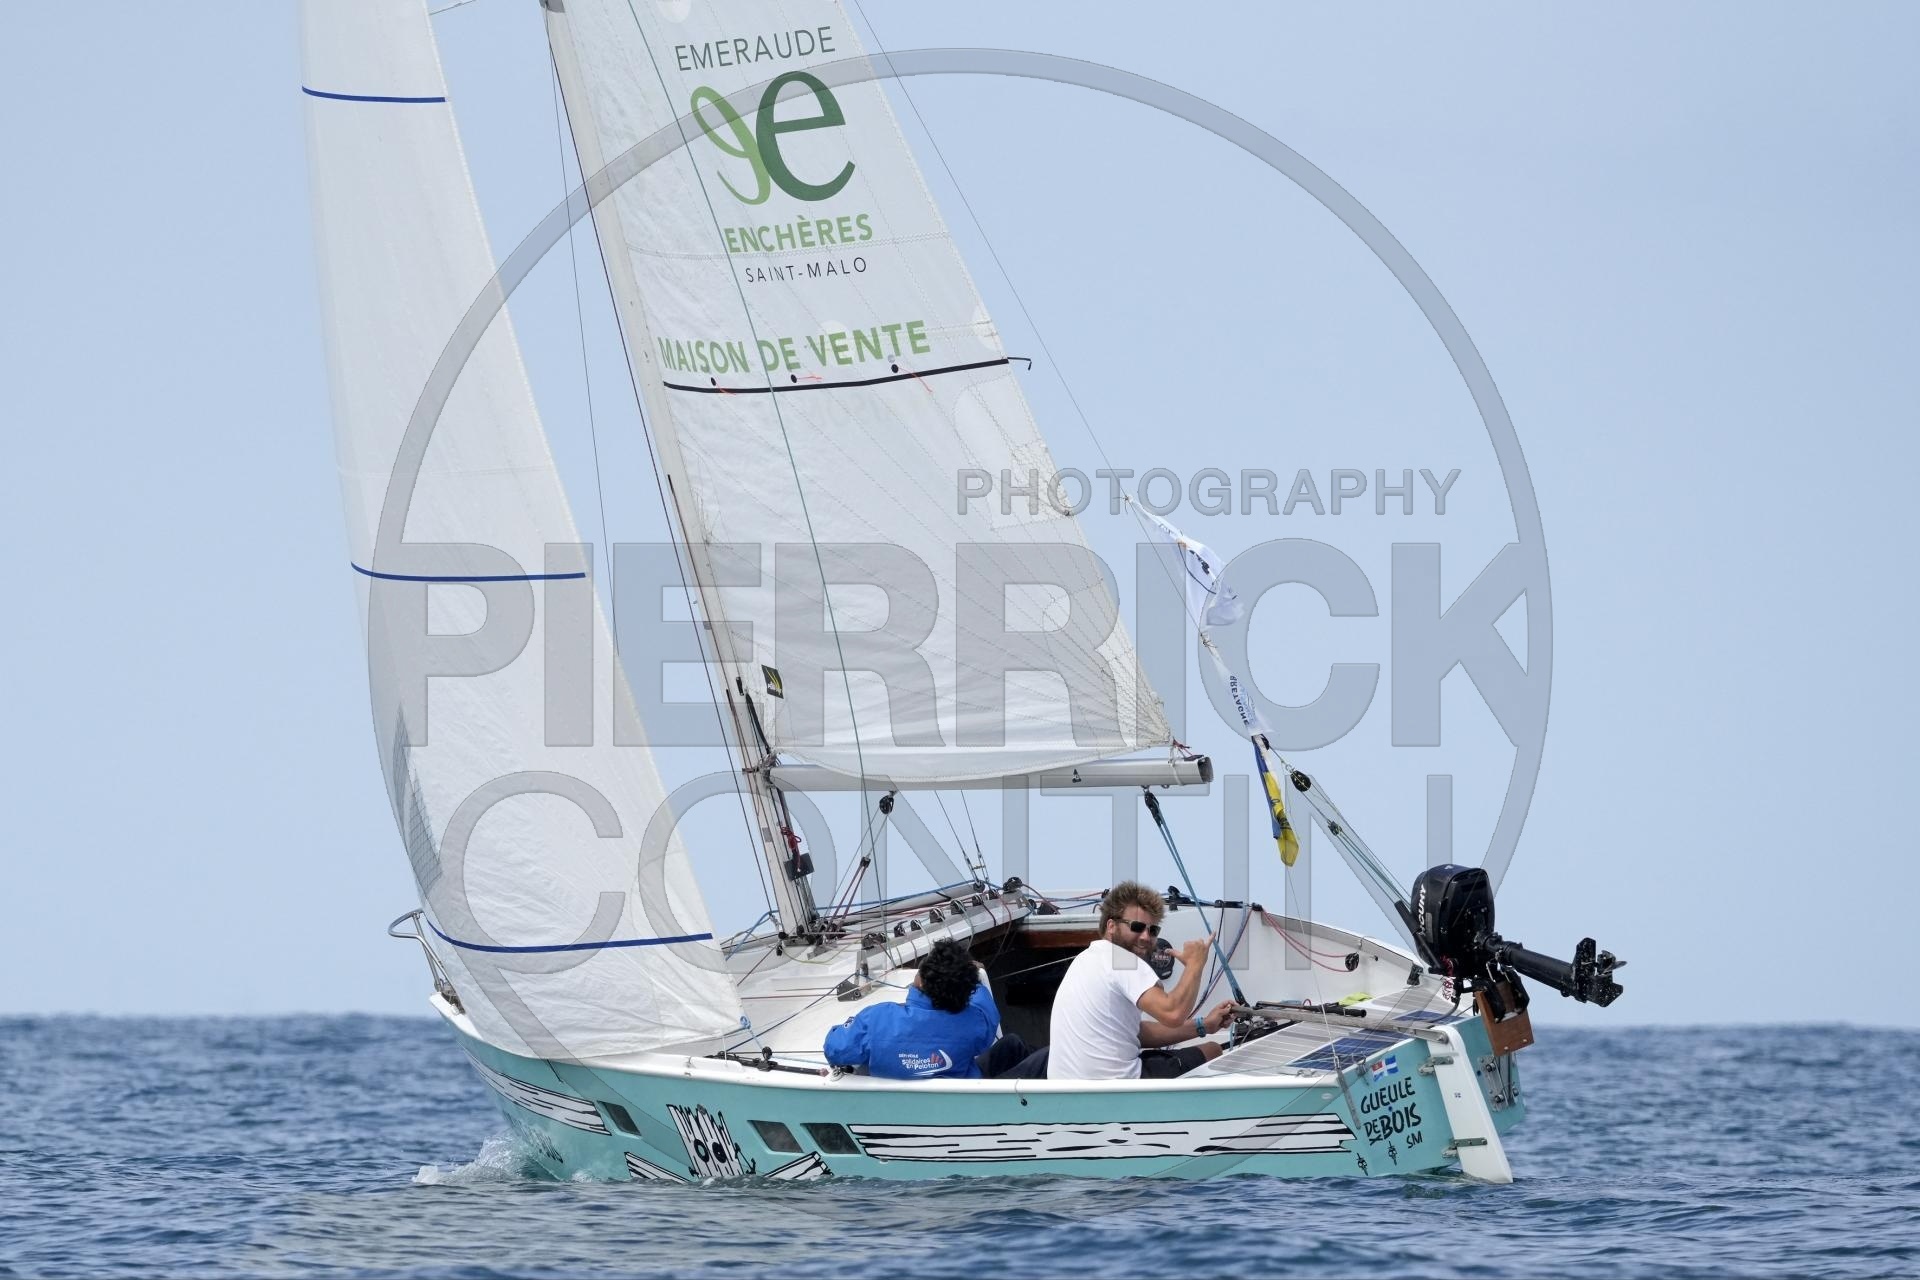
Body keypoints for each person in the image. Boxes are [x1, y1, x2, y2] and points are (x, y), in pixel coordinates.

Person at [1046, 881, 1235, 1080]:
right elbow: (1173, 1013)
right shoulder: (1122, 959)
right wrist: (1195, 964)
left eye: (1152, 930)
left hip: (1067, 1089)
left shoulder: (1085, 959)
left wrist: (1204, 1025)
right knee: (1212, 1050)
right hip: (1116, 1087)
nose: (1145, 937)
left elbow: (1135, 1032)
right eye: (1137, 927)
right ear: (1111, 926)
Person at [822, 938, 1032, 1079]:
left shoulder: (877, 1019)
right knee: (1014, 1044)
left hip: (911, 1108)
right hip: (964, 1096)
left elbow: (834, 1048)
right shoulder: (975, 1023)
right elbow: (986, 1010)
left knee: (1012, 1044)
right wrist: (972, 980)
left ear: (921, 982)